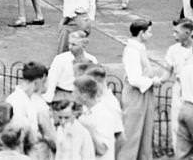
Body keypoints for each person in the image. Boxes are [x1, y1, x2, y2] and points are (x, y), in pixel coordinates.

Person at [118, 19, 162, 160]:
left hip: (143, 94)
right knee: (132, 131)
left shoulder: (139, 47)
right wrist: (152, 81)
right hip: (135, 95)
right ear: (141, 33)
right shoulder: (132, 51)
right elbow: (134, 78)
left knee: (144, 130)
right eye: (149, 32)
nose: (151, 34)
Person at [43, 31, 98, 103]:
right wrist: (48, 99)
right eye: (69, 43)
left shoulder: (92, 60)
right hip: (62, 95)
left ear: (83, 45)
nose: (70, 47)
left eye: (74, 44)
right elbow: (52, 80)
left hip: (82, 97)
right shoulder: (60, 58)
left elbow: (95, 82)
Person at [164, 19, 193, 150]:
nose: (174, 35)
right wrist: (154, 81)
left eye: (177, 32)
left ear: (188, 32)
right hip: (179, 88)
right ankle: (179, 151)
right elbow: (167, 72)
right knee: (176, 122)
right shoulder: (173, 50)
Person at [74, 76, 118, 160]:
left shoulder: (104, 116)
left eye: (75, 92)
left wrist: (89, 130)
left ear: (84, 96)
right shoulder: (84, 113)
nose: (73, 95)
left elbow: (102, 150)